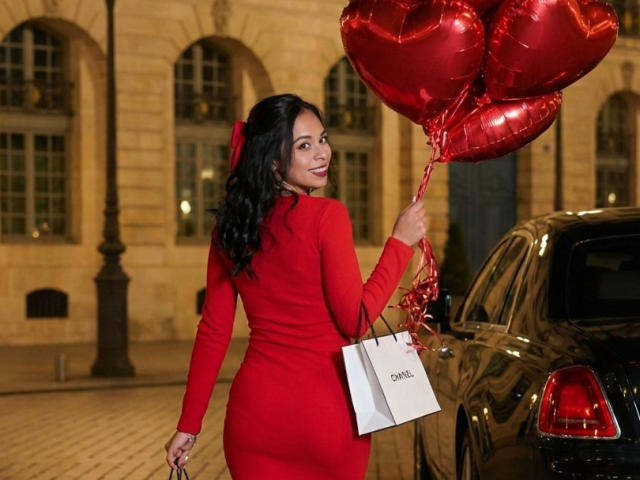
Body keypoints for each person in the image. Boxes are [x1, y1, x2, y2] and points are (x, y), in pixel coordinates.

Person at [165, 93, 426, 479]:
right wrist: (399, 244)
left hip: (255, 419)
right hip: (326, 418)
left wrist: (188, 426)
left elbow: (214, 333)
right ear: (273, 160)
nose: (322, 153)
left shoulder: (230, 228)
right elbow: (355, 320)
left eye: (323, 139)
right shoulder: (327, 216)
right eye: (304, 146)